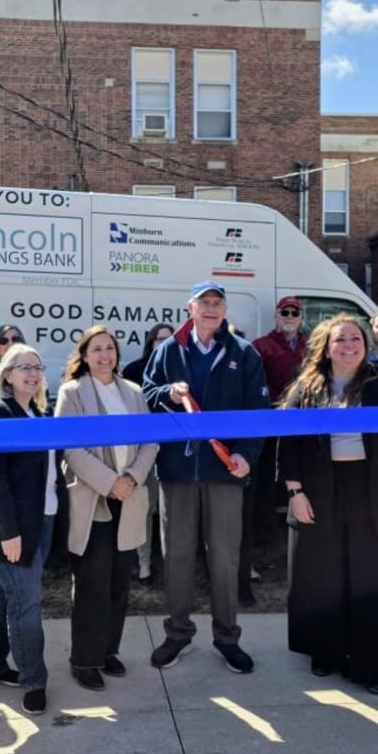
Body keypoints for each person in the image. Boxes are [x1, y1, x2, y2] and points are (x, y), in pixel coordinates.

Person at [279, 314, 378, 694]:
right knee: (324, 575)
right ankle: (326, 650)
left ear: (365, 345)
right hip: (321, 491)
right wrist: (295, 493)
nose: (348, 345)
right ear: (326, 347)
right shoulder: (306, 390)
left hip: (373, 493)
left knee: (373, 578)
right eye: (339, 340)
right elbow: (288, 446)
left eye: (355, 339)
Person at [142, 280, 268, 674]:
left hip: (225, 472)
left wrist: (246, 455)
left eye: (218, 303)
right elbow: (145, 394)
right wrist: (168, 392)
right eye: (204, 302)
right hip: (177, 472)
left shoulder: (243, 353)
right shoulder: (168, 350)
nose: (211, 308)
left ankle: (227, 638)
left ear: (225, 310)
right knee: (176, 557)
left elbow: (257, 410)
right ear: (190, 308)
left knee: (225, 560)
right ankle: (178, 634)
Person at [55, 327, 159, 691]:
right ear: (84, 355)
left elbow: (150, 441)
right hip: (92, 500)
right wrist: (108, 482)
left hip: (128, 499)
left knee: (118, 583)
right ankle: (84, 659)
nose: (105, 355)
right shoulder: (73, 392)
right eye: (96, 349)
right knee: (91, 584)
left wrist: (130, 477)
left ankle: (107, 651)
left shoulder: (132, 392)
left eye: (110, 348)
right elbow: (70, 447)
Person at [0, 343, 54, 716]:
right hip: (12, 527)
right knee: (26, 604)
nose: (32, 374)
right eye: (23, 367)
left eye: (36, 367)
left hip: (42, 518)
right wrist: (9, 532)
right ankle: (34, 682)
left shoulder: (34, 411)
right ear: (7, 374)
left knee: (6, 593)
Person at [242, 297, 309, 604]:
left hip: (303, 432)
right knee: (259, 494)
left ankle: (296, 555)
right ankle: (253, 559)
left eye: (295, 313)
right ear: (276, 315)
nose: (290, 317)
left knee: (299, 490)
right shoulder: (261, 345)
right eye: (285, 312)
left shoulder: (312, 345)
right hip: (267, 431)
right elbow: (252, 384)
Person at [120, 323, 173, 582]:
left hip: (173, 450)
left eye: (169, 339)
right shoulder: (133, 371)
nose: (163, 344)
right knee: (143, 507)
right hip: (140, 451)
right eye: (159, 339)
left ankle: (166, 562)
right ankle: (143, 565)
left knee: (164, 510)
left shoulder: (180, 370)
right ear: (150, 343)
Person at [120, 323, 172, 387]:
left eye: (169, 340)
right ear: (152, 344)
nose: (165, 343)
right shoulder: (133, 370)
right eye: (161, 339)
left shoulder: (182, 369)